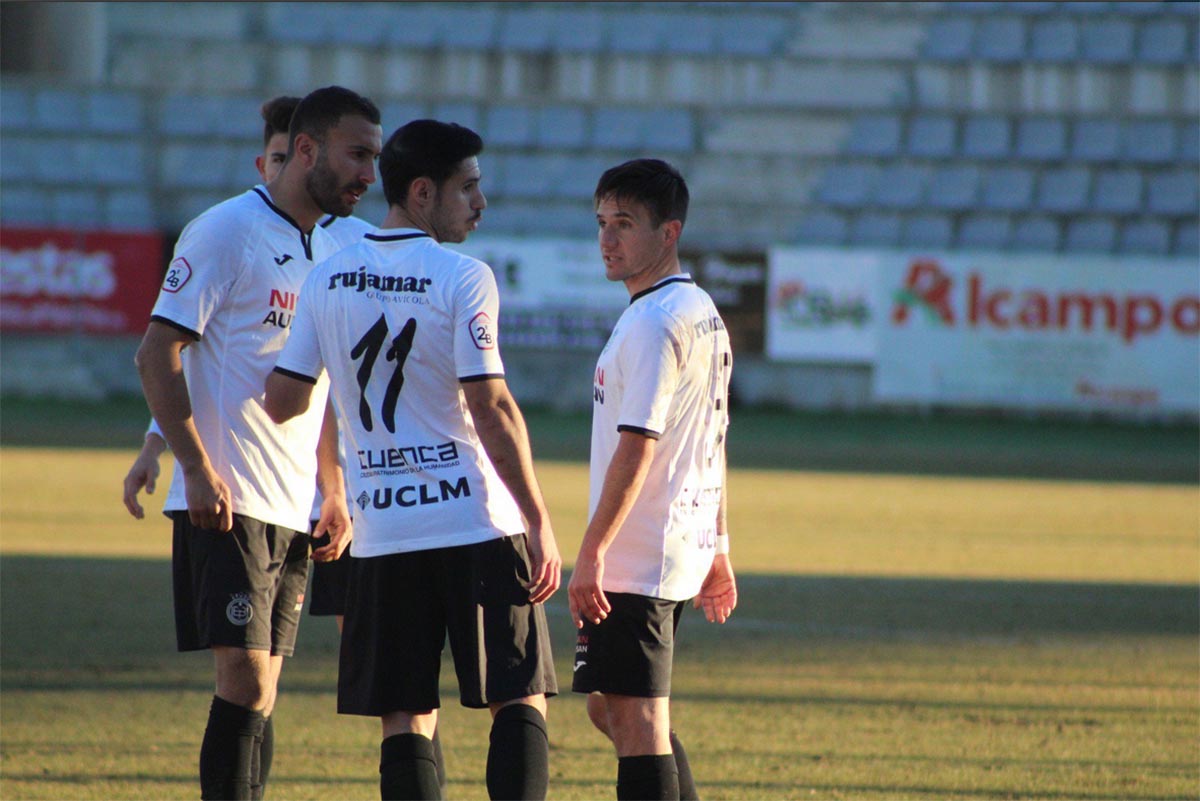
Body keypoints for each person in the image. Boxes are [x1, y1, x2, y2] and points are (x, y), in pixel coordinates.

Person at [264, 119, 561, 801]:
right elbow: (492, 407)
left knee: (404, 716)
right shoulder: (463, 276)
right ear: (423, 192)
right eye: (469, 188)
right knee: (517, 697)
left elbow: (283, 401)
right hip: (476, 523)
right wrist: (538, 517)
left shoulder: (327, 275)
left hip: (383, 534)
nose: (480, 204)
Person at [134, 85, 382, 801]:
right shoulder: (227, 231)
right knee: (243, 678)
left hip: (294, 502)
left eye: (374, 156)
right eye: (357, 154)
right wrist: (194, 467)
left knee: (264, 687)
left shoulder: (335, 247)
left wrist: (331, 488)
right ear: (305, 150)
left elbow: (326, 383)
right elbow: (157, 352)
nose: (369, 172)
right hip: (227, 496)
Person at [567, 158, 738, 801]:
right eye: (603, 223)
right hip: (677, 546)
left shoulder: (654, 321)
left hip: (637, 559)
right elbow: (711, 439)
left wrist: (593, 549)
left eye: (626, 225)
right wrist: (718, 550)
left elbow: (638, 446)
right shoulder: (698, 310)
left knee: (638, 726)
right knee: (610, 709)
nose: (608, 239)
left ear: (668, 233)